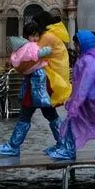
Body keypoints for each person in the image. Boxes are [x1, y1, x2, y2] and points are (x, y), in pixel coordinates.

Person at [0, 23, 64, 156]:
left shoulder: (26, 47)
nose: (35, 38)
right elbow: (37, 55)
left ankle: (14, 146)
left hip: (36, 84)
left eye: (37, 35)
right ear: (27, 36)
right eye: (32, 35)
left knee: (33, 115)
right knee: (47, 114)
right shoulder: (29, 47)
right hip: (35, 84)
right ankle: (63, 143)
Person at [48, 30, 95, 160]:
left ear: (83, 44)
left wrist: (76, 102)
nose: (75, 47)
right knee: (93, 122)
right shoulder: (87, 59)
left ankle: (68, 149)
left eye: (77, 44)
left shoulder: (88, 61)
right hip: (88, 99)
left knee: (77, 121)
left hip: (87, 100)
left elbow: (84, 83)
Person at [33, 10, 73, 149]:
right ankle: (63, 142)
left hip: (49, 79)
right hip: (48, 78)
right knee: (47, 112)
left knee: (42, 111)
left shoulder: (47, 36)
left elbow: (33, 55)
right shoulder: (52, 34)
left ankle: (65, 142)